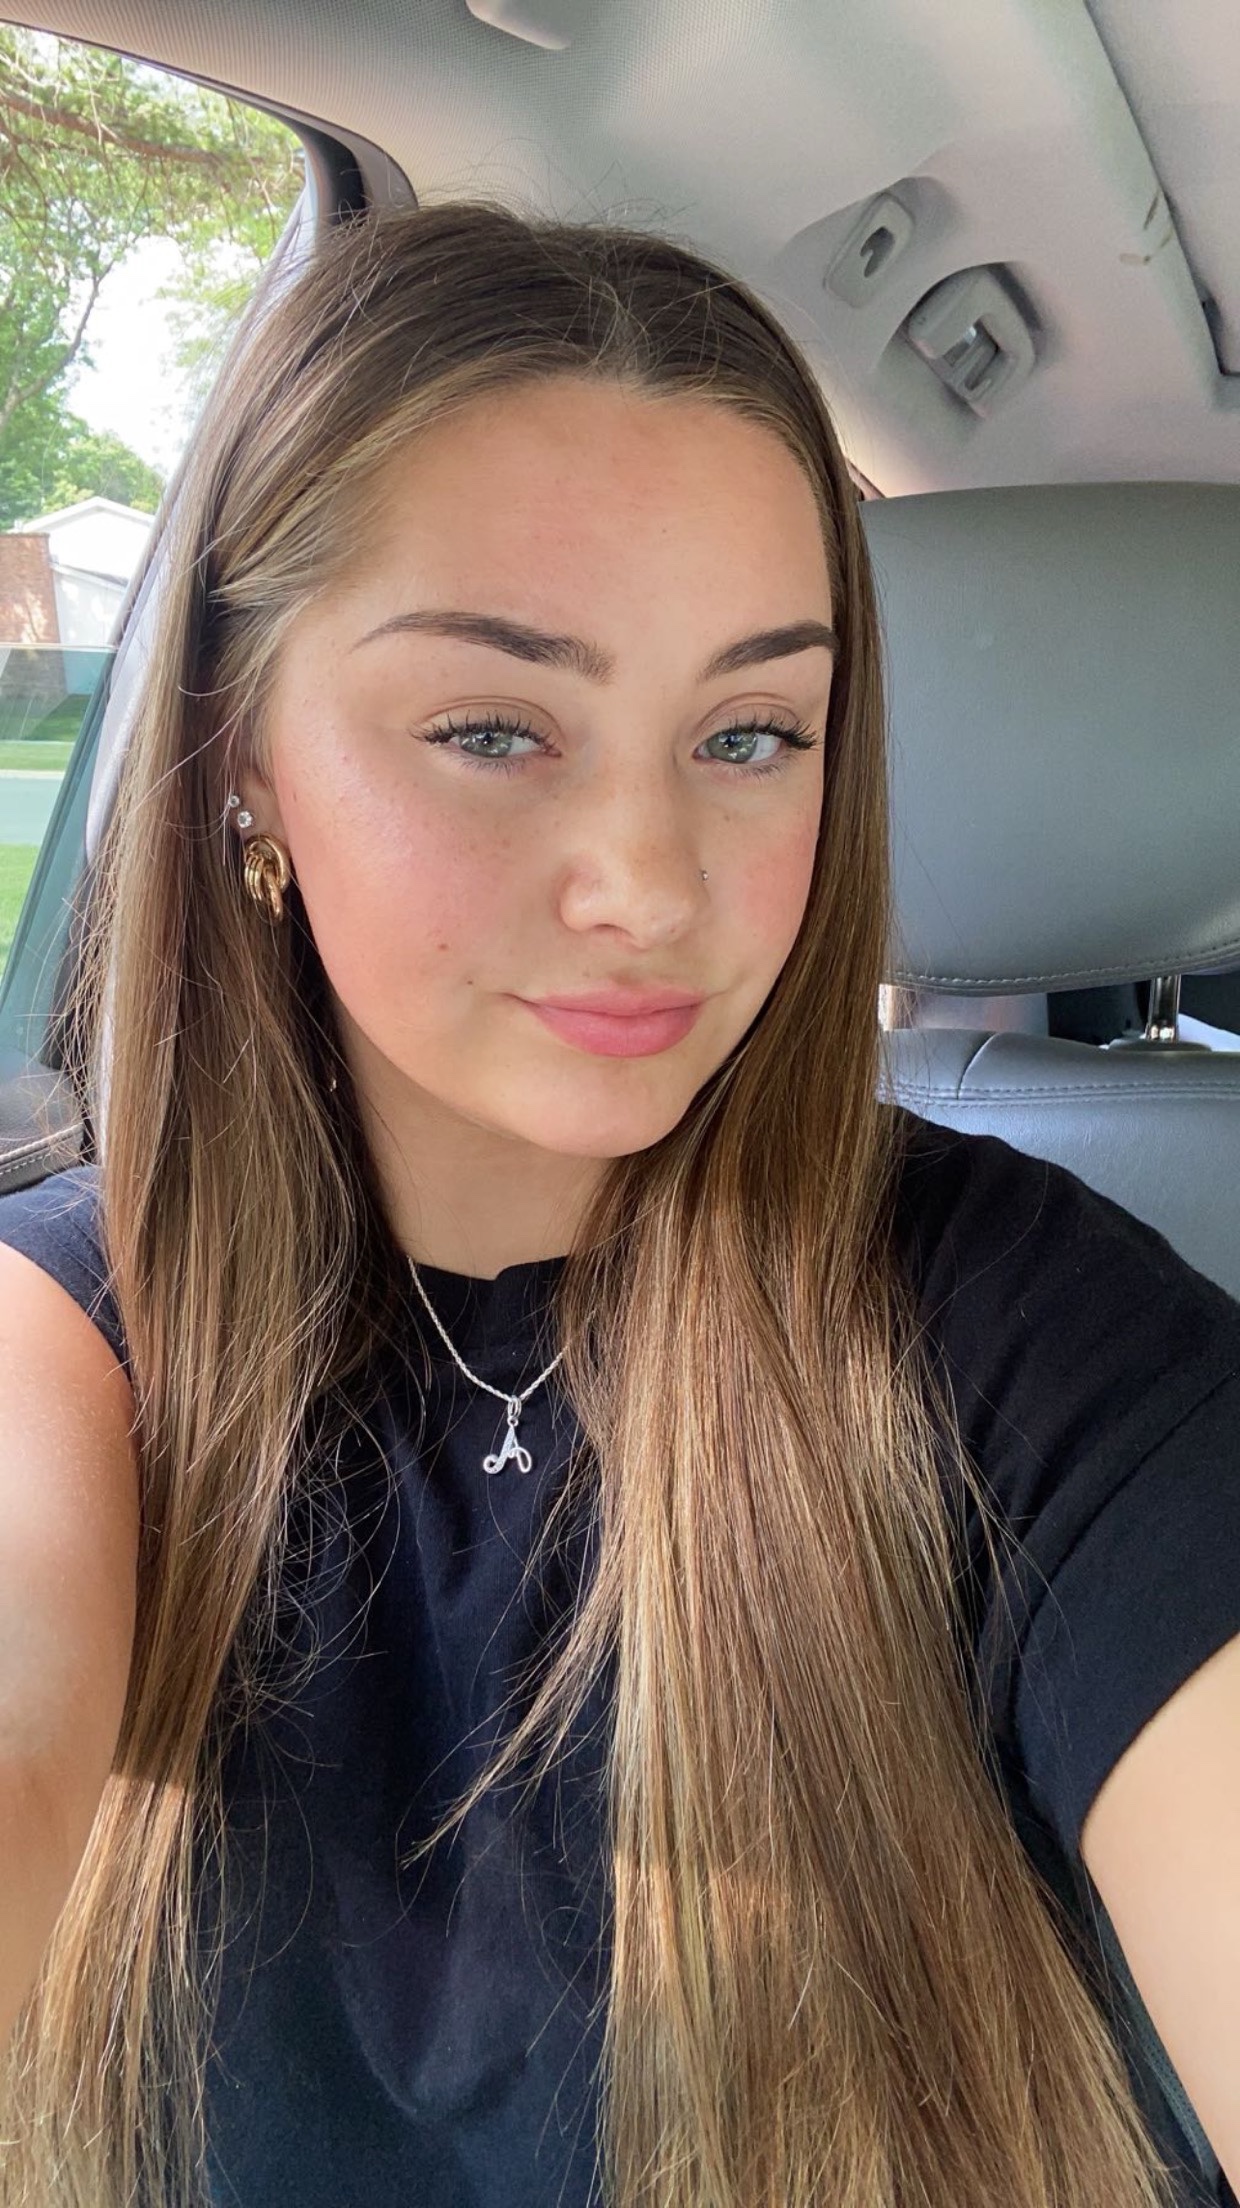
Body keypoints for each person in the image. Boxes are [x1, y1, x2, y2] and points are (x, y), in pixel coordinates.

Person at [0, 199, 1237, 2208]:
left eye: (750, 735)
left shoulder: (1045, 1347)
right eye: (492, 730)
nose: (648, 885)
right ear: (242, 756)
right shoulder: (55, 1352)